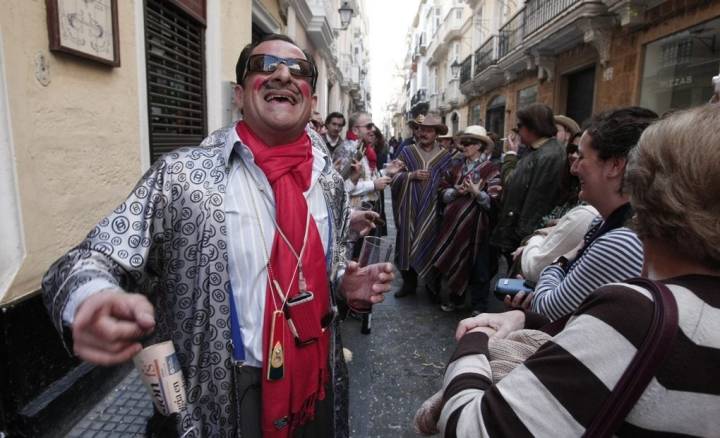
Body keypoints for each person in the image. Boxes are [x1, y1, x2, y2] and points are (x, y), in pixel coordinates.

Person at [41, 34, 394, 438]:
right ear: (240, 95)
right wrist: (91, 296)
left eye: (298, 70)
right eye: (265, 66)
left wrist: (343, 286)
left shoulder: (328, 183)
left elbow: (317, 269)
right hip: (220, 401)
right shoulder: (182, 176)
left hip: (316, 381)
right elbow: (91, 257)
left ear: (311, 100)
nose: (282, 73)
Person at [437, 103, 720, 437]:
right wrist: (526, 318)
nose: (573, 168)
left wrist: (476, 340)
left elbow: (470, 429)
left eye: (581, 157)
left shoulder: (637, 311)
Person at [508, 107, 657, 321]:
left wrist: (559, 262)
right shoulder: (603, 222)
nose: (573, 168)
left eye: (582, 157)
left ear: (614, 165)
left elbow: (547, 309)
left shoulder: (622, 241)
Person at [433, 126, 501, 313]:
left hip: (479, 227)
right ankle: (456, 299)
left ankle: (479, 305)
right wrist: (456, 191)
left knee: (480, 266)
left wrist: (477, 193)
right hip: (454, 226)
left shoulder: (491, 169)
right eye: (463, 142)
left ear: (479, 145)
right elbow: (441, 192)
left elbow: (494, 201)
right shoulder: (455, 167)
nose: (463, 146)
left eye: (468, 143)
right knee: (455, 259)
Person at [490, 104, 568, 265]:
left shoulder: (549, 154)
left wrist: (521, 238)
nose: (517, 131)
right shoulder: (538, 151)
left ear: (533, 127)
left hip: (523, 238)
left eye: (519, 126)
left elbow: (535, 199)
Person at [391, 113, 454, 297]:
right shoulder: (407, 152)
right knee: (406, 244)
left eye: (429, 130)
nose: (424, 133)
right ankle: (408, 284)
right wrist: (411, 175)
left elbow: (449, 181)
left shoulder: (445, 156)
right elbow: (393, 177)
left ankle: (431, 286)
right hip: (409, 208)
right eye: (421, 129)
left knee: (431, 244)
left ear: (436, 134)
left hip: (432, 211)